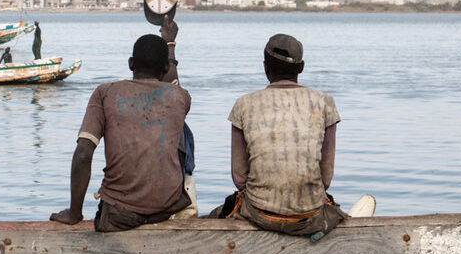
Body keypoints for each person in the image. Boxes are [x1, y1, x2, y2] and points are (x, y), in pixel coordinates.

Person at [51, 18, 191, 232]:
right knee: (183, 133)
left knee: (182, 132)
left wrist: (74, 213)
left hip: (120, 213)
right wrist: (170, 44)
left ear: (131, 64)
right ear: (165, 67)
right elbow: (171, 85)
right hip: (168, 206)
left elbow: (83, 154)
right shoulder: (181, 97)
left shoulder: (105, 93)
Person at [209, 34, 348, 236]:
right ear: (301, 68)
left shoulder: (244, 104)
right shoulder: (324, 102)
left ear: (266, 67)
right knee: (336, 212)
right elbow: (326, 178)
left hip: (259, 213)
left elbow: (239, 177)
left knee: (217, 214)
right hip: (308, 215)